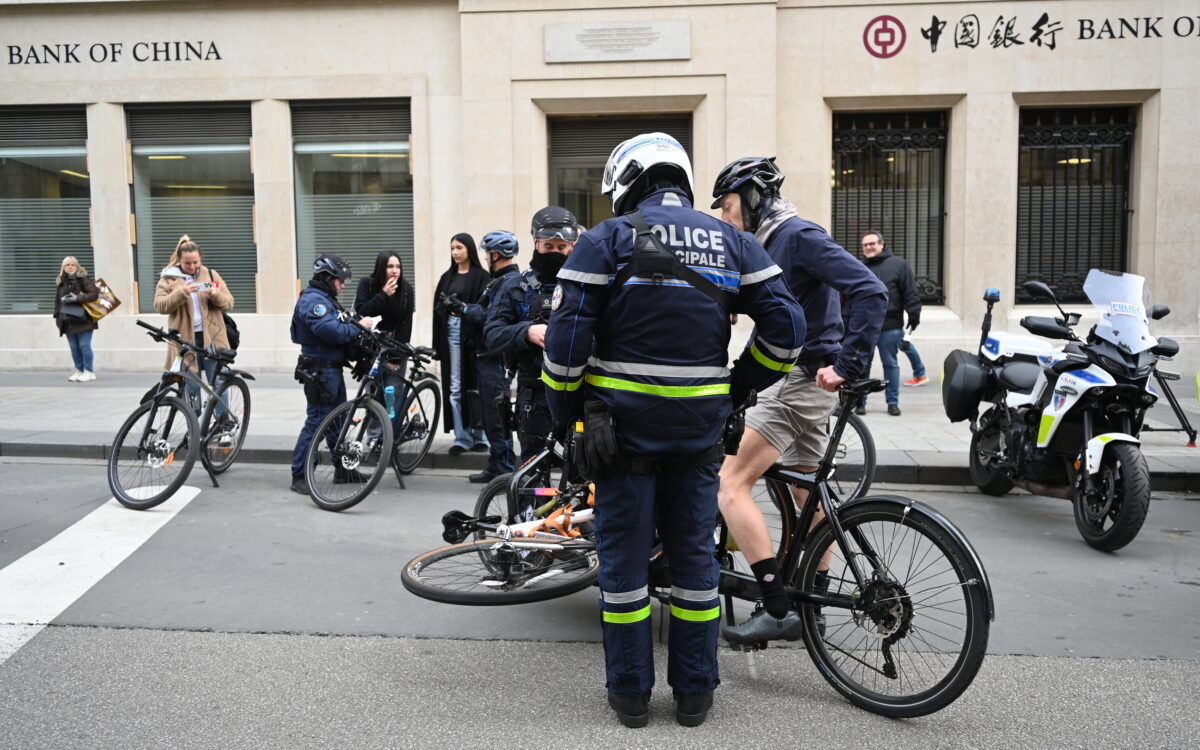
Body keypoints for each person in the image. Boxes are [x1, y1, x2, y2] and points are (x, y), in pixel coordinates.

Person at [542, 133, 806, 729]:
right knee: (694, 569)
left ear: (630, 182)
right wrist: (737, 388)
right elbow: (788, 328)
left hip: (621, 440)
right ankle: (694, 698)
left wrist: (569, 421)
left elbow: (564, 349)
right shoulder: (733, 240)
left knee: (625, 572)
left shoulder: (607, 239)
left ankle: (631, 700)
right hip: (699, 439)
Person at [707, 157, 887, 644]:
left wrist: (848, 364)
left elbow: (870, 290)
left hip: (799, 381)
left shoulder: (798, 235)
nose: (725, 218)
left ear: (752, 197)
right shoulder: (770, 243)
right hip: (803, 382)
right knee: (808, 494)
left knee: (730, 483)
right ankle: (815, 604)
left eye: (727, 207)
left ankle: (777, 606)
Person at [486, 206, 580, 464]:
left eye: (561, 248)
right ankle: (529, 506)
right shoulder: (515, 286)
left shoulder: (585, 285)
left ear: (572, 246)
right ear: (535, 243)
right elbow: (492, 334)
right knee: (532, 471)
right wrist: (526, 331)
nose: (555, 253)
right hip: (534, 395)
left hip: (580, 393)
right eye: (548, 247)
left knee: (582, 473)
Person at [289, 253, 366, 496]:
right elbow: (329, 330)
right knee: (318, 422)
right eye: (340, 280)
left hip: (330, 369)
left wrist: (357, 322)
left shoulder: (325, 299)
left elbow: (340, 323)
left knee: (338, 422)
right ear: (327, 277)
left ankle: (342, 469)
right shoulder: (315, 301)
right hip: (320, 370)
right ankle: (300, 474)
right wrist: (358, 328)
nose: (343, 285)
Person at [461, 231, 520, 483]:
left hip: (497, 359)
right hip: (487, 356)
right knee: (489, 415)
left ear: (496, 255)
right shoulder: (498, 280)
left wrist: (466, 310)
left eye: (487, 253)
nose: (485, 257)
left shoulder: (508, 281)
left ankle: (504, 469)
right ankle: (495, 465)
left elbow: (492, 317)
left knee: (497, 417)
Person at [153, 235, 235, 392]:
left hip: (213, 339)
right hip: (185, 342)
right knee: (191, 389)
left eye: (195, 262)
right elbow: (160, 306)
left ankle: (222, 417)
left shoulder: (211, 275)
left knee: (219, 384)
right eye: (187, 263)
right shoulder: (168, 279)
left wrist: (216, 294)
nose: (192, 266)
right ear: (179, 260)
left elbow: (229, 303)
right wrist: (180, 293)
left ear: (200, 259)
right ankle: (194, 417)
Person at [433, 234, 490, 455]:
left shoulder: (481, 276)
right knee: (455, 387)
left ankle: (480, 435)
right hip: (451, 334)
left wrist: (463, 306)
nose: (455, 252)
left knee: (475, 385)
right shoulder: (447, 277)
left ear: (469, 249)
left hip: (474, 337)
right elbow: (437, 314)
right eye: (452, 248)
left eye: (459, 247)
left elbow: (484, 309)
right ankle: (462, 437)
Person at [858, 230, 924, 416]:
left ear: (882, 244)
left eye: (872, 243)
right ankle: (860, 402)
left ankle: (892, 403)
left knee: (890, 365)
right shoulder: (860, 266)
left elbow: (910, 291)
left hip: (890, 325)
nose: (869, 247)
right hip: (864, 326)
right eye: (865, 245)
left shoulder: (899, 265)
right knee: (862, 366)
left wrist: (914, 314)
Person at [355, 251, 416, 445]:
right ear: (382, 268)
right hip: (372, 348)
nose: (395, 271)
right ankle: (374, 437)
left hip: (395, 346)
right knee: (373, 393)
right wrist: (383, 295)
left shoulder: (406, 289)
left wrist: (397, 357)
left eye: (397, 266)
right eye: (390, 266)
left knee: (392, 394)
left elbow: (406, 323)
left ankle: (389, 439)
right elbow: (362, 311)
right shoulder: (368, 284)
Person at [54, 256, 101, 382]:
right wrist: (57, 317)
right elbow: (57, 302)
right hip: (68, 320)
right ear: (63, 267)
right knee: (74, 347)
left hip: (84, 319)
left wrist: (76, 298)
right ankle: (79, 371)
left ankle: (89, 371)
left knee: (84, 346)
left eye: (72, 265)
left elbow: (94, 294)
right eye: (67, 265)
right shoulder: (60, 282)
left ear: (77, 266)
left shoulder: (83, 279)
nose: (70, 267)